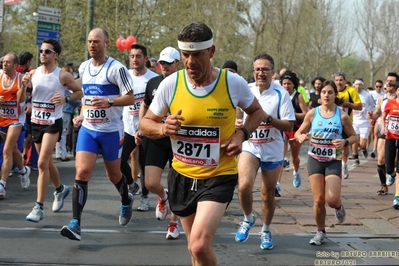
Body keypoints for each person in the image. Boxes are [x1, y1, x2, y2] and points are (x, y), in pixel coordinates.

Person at [140, 22, 264, 266]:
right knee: (194, 250)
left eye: (196, 54)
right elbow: (145, 123)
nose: (190, 61)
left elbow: (257, 112)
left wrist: (242, 135)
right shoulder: (171, 84)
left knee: (199, 244)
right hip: (182, 175)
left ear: (211, 51)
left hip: (219, 174)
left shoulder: (232, 82)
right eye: (185, 55)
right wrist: (163, 127)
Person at [60, 28, 135, 241]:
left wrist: (110, 101)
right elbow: (86, 96)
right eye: (90, 41)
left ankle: (125, 199)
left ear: (106, 44)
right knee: (82, 172)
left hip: (111, 130)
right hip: (89, 129)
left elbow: (130, 98)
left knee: (114, 175)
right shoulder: (84, 67)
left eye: (97, 42)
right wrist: (82, 114)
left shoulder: (116, 69)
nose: (92, 45)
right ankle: (75, 223)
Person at [234, 54, 295, 249]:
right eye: (257, 69)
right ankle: (247, 218)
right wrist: (237, 123)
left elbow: (289, 125)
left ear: (273, 72)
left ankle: (266, 230)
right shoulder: (247, 90)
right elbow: (238, 115)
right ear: (253, 72)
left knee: (267, 194)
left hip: (272, 149)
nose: (261, 73)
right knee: (243, 185)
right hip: (250, 146)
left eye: (265, 69)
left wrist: (268, 119)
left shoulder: (281, 94)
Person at [23, 38, 83, 222]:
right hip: (36, 123)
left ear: (55, 55)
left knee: (41, 163)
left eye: (47, 51)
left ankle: (38, 207)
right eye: (42, 51)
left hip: (52, 122)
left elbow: (80, 91)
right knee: (47, 162)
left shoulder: (62, 76)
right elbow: (21, 98)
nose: (43, 54)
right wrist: (24, 85)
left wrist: (65, 98)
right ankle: (60, 189)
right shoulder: (32, 73)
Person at [295, 80, 357, 245]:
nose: (327, 95)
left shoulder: (342, 115)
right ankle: (320, 231)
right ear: (319, 96)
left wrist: (344, 142)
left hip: (333, 160)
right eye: (324, 92)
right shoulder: (312, 114)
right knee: (318, 200)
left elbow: (354, 136)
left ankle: (338, 207)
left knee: (332, 199)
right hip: (314, 159)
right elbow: (298, 132)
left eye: (330, 92)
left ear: (335, 95)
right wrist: (300, 136)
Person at [138, 46, 181, 239]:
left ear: (177, 64)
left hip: (178, 140)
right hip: (157, 136)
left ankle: (173, 224)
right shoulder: (153, 83)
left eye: (169, 64)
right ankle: (163, 197)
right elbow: (145, 106)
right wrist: (142, 126)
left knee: (175, 185)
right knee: (150, 182)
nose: (164, 67)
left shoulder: (185, 84)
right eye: (162, 63)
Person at [121, 43, 158, 212]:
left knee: (143, 164)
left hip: (145, 129)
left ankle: (144, 197)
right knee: (119, 162)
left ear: (145, 59)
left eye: (138, 56)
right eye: (132, 56)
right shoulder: (125, 76)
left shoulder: (152, 79)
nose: (135, 59)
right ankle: (131, 183)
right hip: (128, 127)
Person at [0, 52, 30, 198]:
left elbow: (20, 99)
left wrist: (23, 87)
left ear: (16, 65)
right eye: (3, 62)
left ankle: (1, 186)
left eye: (8, 62)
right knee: (12, 149)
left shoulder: (20, 79)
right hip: (1, 118)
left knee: (6, 150)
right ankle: (24, 171)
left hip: (16, 119)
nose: (5, 64)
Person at [367, 73, 399, 195]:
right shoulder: (382, 99)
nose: (389, 82)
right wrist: (372, 116)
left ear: (397, 83)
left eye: (392, 81)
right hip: (384, 131)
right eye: (388, 80)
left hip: (396, 133)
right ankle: (383, 185)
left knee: (394, 159)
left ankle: (393, 174)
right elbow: (377, 114)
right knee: (380, 159)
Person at [280, 70, 308, 189]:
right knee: (280, 157)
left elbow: (306, 114)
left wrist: (293, 114)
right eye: (284, 83)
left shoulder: (298, 96)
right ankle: (277, 185)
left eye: (289, 84)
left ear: (293, 85)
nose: (287, 86)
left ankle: (296, 172)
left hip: (296, 129)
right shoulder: (279, 95)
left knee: (294, 158)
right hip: (282, 127)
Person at [333, 72, 362, 179]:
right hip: (333, 124)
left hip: (346, 124)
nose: (338, 82)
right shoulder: (332, 90)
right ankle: (334, 166)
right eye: (336, 80)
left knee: (344, 148)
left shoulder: (351, 91)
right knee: (333, 146)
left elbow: (359, 106)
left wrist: (347, 104)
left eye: (341, 80)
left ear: (345, 81)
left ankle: (344, 165)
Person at [55, 66, 81, 161]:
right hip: (65, 111)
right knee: (63, 132)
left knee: (62, 132)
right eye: (70, 73)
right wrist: (79, 103)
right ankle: (62, 154)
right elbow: (69, 98)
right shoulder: (64, 87)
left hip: (65, 110)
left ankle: (60, 153)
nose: (72, 74)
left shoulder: (65, 86)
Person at [380, 76, 399, 209]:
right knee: (389, 167)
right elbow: (383, 117)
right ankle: (391, 175)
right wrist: (384, 127)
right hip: (390, 136)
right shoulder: (391, 102)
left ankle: (397, 197)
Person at [351, 79, 375, 166]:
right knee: (354, 140)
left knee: (362, 143)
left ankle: (364, 149)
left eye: (360, 85)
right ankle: (356, 158)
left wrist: (371, 114)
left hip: (364, 121)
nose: (358, 86)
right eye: (356, 85)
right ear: (354, 85)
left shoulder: (367, 95)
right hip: (354, 121)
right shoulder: (351, 94)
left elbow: (373, 105)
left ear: (362, 86)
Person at [369, 80, 385, 158]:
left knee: (376, 133)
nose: (378, 88)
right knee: (373, 133)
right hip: (374, 114)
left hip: (381, 117)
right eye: (377, 86)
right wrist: (371, 115)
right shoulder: (371, 93)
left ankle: (377, 150)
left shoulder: (384, 95)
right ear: (375, 86)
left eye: (380, 86)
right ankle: (374, 149)